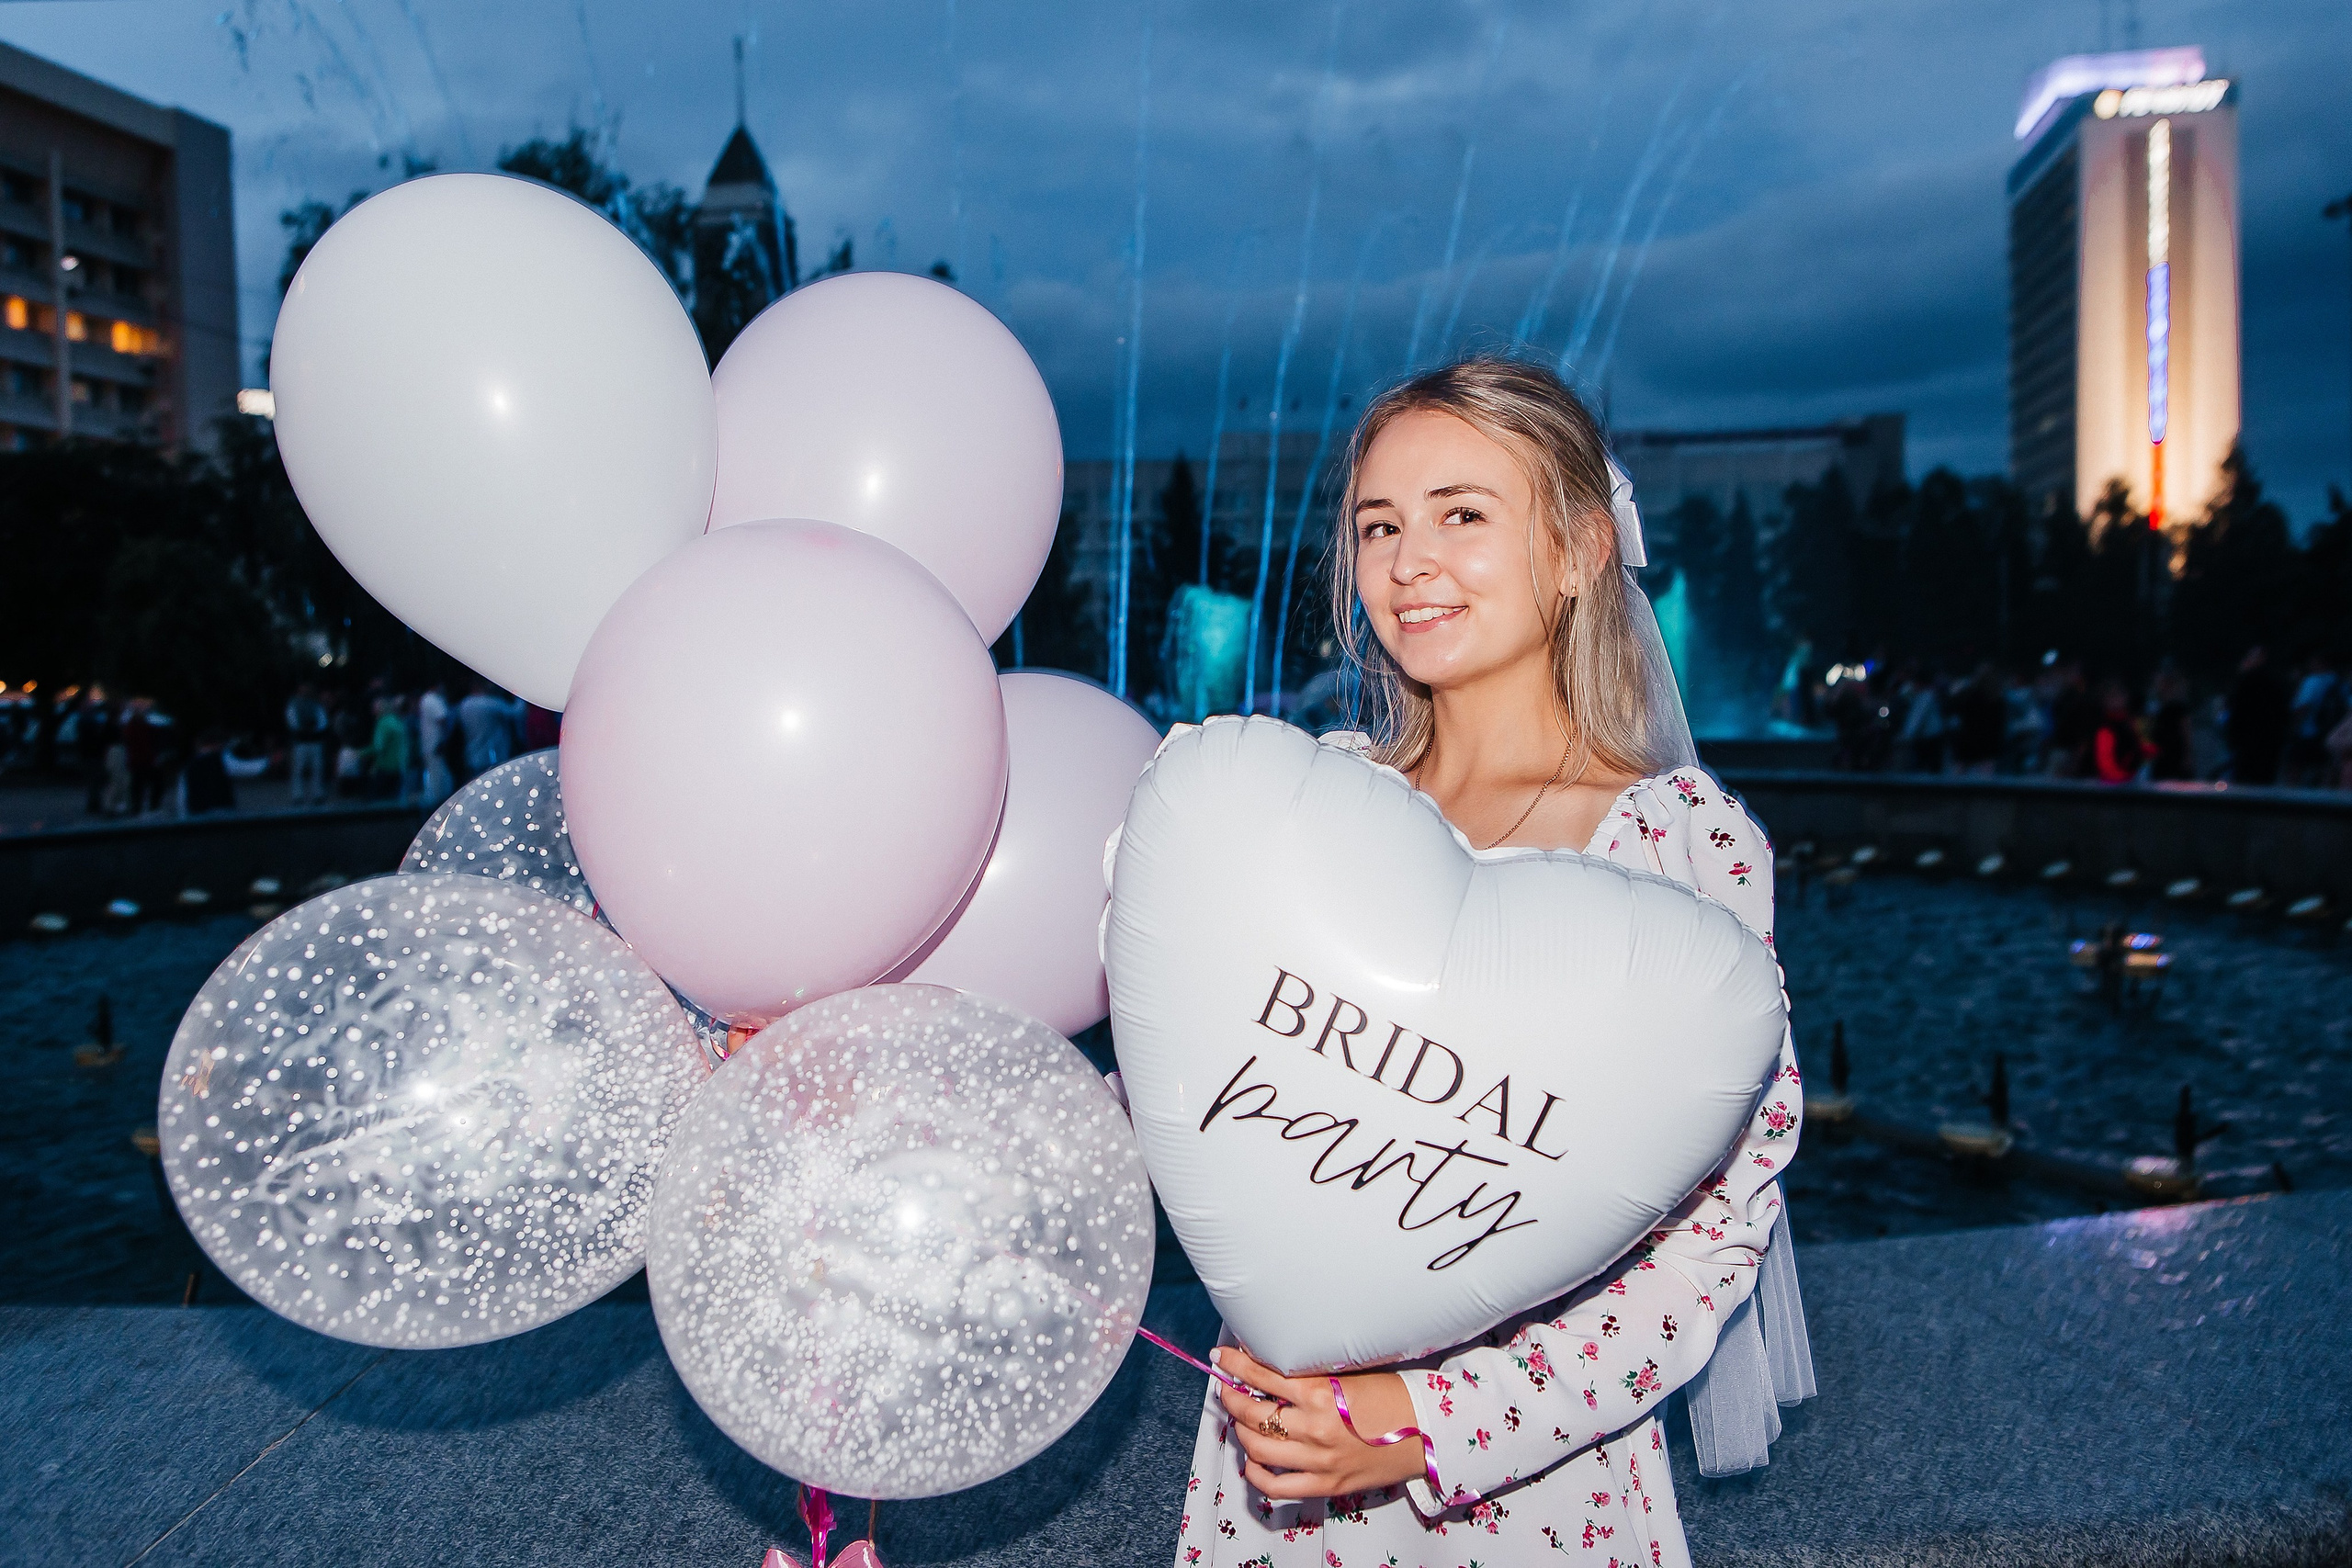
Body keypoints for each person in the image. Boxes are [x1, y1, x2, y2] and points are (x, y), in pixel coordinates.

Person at [1176, 358, 1808, 1568]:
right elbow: (1206, 1085)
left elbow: (1709, 1235)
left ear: (1575, 548)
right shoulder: (1314, 803)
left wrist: (1427, 1425)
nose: (1411, 559)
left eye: (1463, 514)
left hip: (1530, 1497)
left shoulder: (1674, 841)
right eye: (1380, 525)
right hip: (1277, 1469)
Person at [2224, 647, 2290, 785]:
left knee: (2245, 779)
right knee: (2264, 779)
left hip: (2249, 739)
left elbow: (2235, 708)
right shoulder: (2277, 680)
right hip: (2269, 739)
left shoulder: (2247, 680)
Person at [2091, 680, 2146, 784]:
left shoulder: (2131, 723)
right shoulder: (2105, 728)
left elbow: (2142, 750)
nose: (2118, 699)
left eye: (2121, 695)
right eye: (2112, 696)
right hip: (2111, 786)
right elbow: (2106, 766)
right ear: (2104, 700)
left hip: (2134, 782)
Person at [286, 683, 330, 806]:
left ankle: (317, 794)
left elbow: (323, 721)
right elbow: (292, 721)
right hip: (301, 741)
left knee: (317, 769)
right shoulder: (294, 704)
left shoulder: (315, 705)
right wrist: (304, 730)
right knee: (298, 770)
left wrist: (314, 730)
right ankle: (298, 795)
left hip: (314, 741)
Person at [416, 681, 454, 804]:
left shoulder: (425, 700)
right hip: (436, 743)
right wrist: (444, 739)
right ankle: (439, 803)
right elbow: (442, 719)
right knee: (438, 775)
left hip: (430, 743)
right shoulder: (432, 700)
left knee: (437, 773)